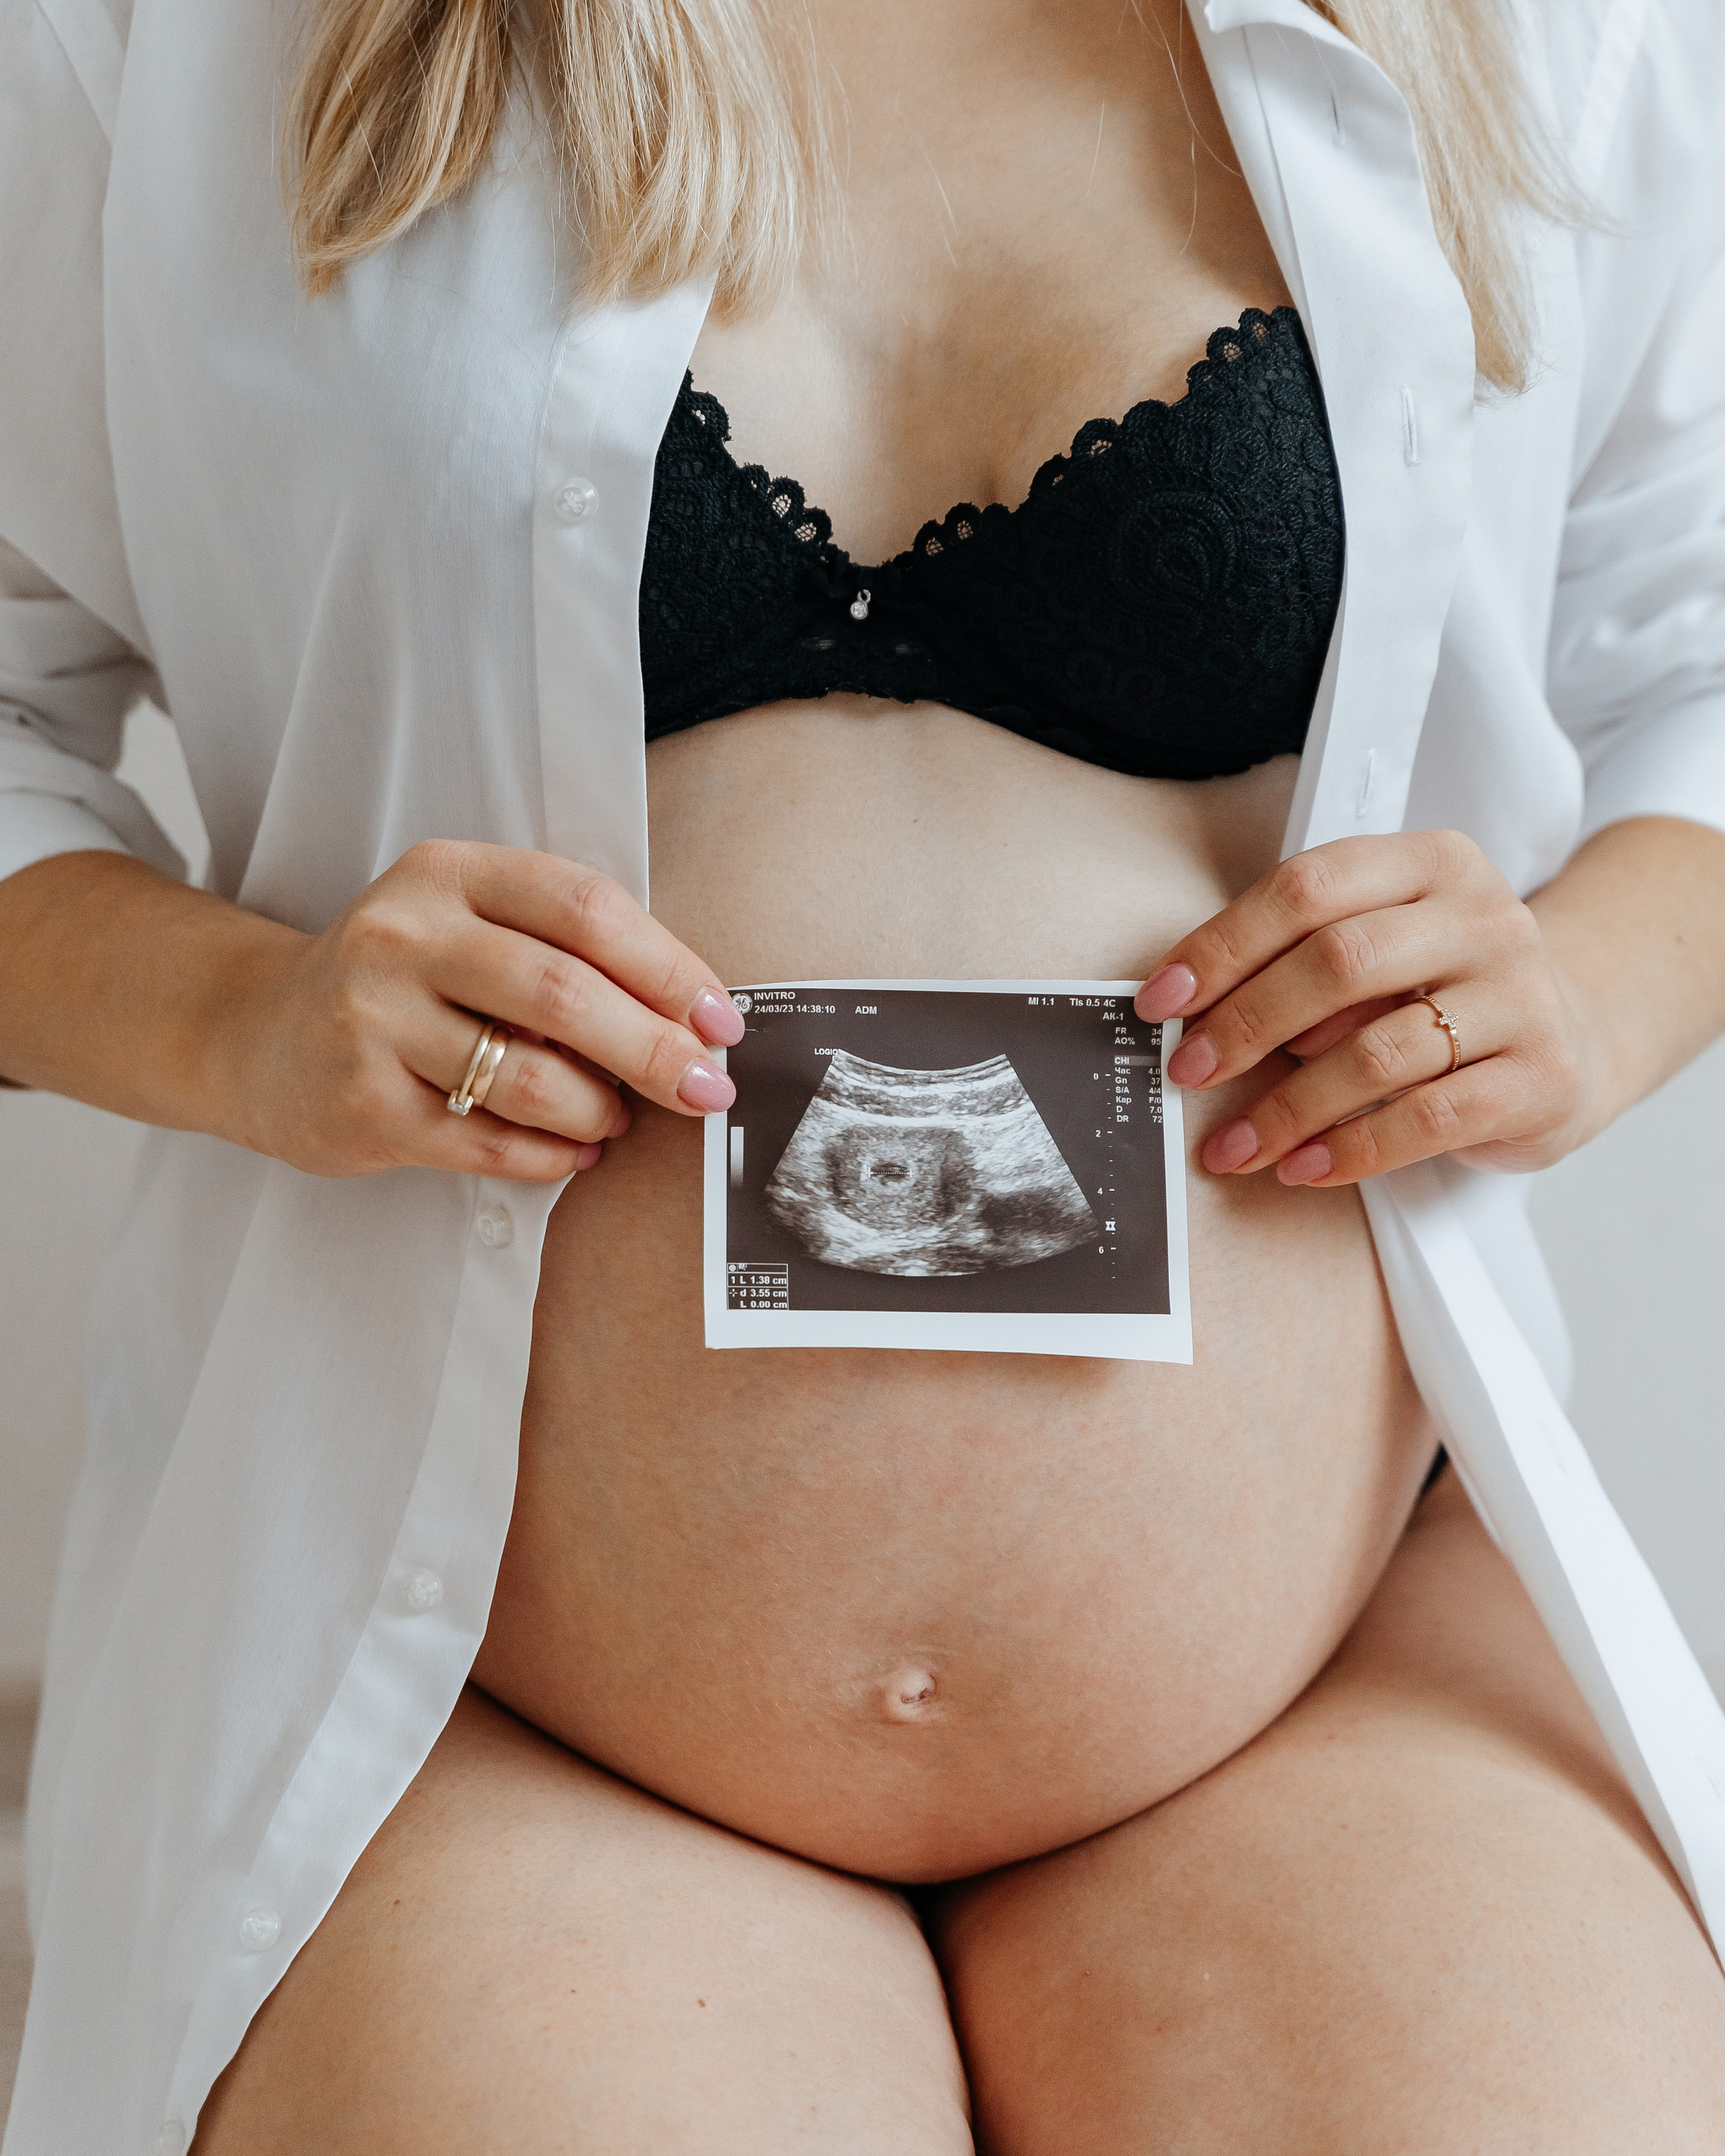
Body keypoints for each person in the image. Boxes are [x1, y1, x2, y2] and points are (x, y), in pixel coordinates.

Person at [2, 0, 1724, 2146]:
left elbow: (1700, 646)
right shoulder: (159, 39)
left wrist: (1595, 992)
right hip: (485, 1693)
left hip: (1328, 1670)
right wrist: (230, 1019)